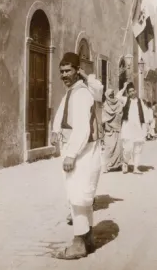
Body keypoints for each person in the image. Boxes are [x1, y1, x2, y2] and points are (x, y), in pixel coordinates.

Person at [51, 52, 103, 260]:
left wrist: (71, 155)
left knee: (78, 196)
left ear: (76, 71)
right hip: (77, 148)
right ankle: (88, 238)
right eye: (61, 71)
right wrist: (56, 129)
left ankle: (79, 243)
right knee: (79, 195)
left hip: (83, 151)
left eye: (68, 71)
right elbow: (62, 113)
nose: (64, 75)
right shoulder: (71, 92)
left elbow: (82, 128)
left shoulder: (83, 93)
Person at [117, 82, 147, 174]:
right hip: (128, 127)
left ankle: (135, 167)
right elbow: (117, 96)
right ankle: (125, 163)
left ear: (135, 91)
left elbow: (145, 114)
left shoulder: (140, 101)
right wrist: (124, 87)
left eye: (133, 91)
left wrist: (146, 127)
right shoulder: (125, 100)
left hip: (138, 127)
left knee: (138, 148)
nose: (132, 93)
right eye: (129, 91)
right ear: (128, 93)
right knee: (128, 148)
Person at [102, 89, 124, 173]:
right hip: (109, 130)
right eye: (109, 95)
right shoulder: (105, 105)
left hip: (117, 129)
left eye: (112, 94)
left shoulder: (118, 103)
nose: (111, 96)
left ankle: (117, 165)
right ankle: (106, 165)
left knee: (118, 148)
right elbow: (103, 118)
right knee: (109, 148)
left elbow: (121, 114)